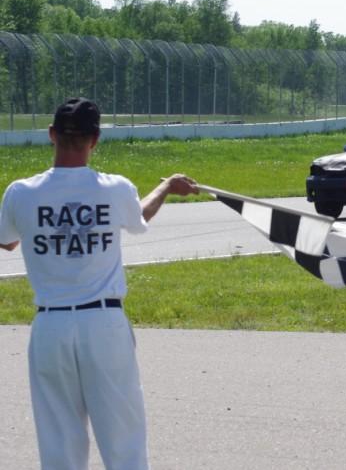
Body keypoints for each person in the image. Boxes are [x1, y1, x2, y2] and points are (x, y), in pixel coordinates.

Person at [0, 97, 198, 470]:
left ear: (51, 135)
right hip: (103, 323)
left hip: (50, 325)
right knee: (123, 440)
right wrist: (167, 186)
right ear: (95, 140)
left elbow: (7, 239)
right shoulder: (114, 188)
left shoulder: (21, 192)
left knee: (58, 442)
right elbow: (139, 217)